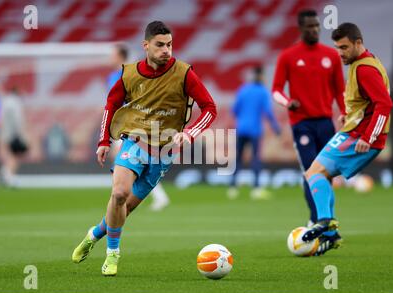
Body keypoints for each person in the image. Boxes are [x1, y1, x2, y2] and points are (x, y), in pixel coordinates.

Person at [72, 21, 217, 276]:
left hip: (163, 152)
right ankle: (113, 254)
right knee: (119, 194)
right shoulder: (129, 74)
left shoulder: (184, 73)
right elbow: (111, 104)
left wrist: (190, 133)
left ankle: (93, 235)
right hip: (134, 142)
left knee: (125, 208)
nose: (166, 50)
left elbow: (210, 108)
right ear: (146, 45)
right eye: (160, 45)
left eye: (169, 45)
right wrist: (104, 141)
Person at [303, 23, 393, 255]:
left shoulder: (365, 69)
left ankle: (325, 223)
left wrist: (368, 136)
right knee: (318, 173)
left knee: (314, 173)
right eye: (337, 48)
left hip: (359, 136)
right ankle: (330, 231)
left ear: (358, 43)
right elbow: (367, 102)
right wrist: (349, 115)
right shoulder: (363, 62)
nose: (340, 52)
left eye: (344, 47)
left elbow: (384, 104)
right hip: (353, 131)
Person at [272, 9, 346, 226]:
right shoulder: (288, 56)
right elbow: (276, 89)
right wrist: (288, 102)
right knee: (311, 171)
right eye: (310, 26)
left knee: (327, 174)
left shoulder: (331, 55)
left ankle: (327, 218)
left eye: (316, 26)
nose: (314, 30)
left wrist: (344, 113)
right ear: (301, 28)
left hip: (325, 123)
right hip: (301, 124)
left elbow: (339, 89)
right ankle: (315, 219)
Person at [106, 43, 170, 211]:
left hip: (129, 128)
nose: (110, 58)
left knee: (130, 162)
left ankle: (125, 195)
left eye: (113, 54)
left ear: (120, 56)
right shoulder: (123, 73)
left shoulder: (125, 75)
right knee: (131, 162)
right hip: (129, 126)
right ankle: (151, 195)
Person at [228, 66, 280, 200]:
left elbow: (234, 110)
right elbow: (268, 112)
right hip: (255, 130)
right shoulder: (263, 91)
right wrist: (275, 127)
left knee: (239, 158)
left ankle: (233, 188)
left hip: (241, 128)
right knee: (255, 158)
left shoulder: (244, 90)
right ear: (261, 76)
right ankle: (256, 188)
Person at [0, 86, 28, 187]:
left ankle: (5, 172)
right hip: (13, 133)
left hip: (4, 132)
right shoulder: (15, 103)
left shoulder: (4, 101)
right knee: (15, 155)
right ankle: (8, 175)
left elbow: (0, 117)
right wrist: (20, 134)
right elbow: (17, 120)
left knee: (9, 155)